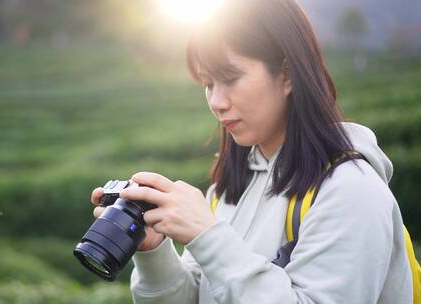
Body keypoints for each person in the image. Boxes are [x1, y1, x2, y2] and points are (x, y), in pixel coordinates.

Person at [90, 0, 413, 303]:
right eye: (208, 83)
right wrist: (153, 251)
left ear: (286, 74)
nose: (216, 102)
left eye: (230, 78)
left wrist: (208, 235)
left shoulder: (351, 192)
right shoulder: (227, 189)